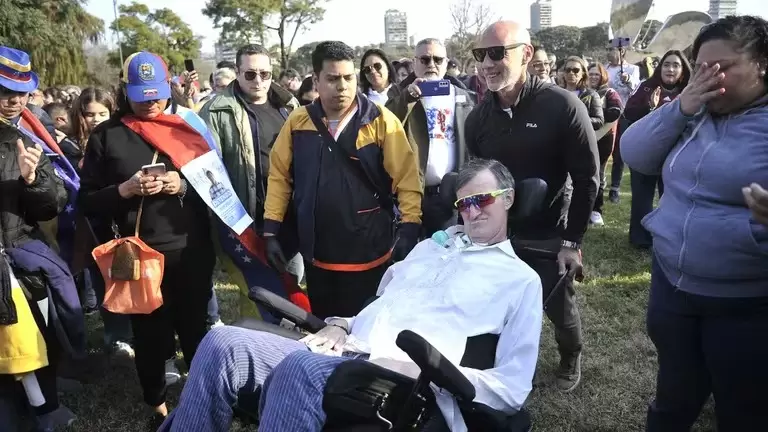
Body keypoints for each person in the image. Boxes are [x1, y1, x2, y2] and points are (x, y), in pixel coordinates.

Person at [159, 158, 542, 432]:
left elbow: (512, 387)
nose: (472, 212)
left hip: (404, 379)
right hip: (348, 348)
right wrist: (342, 324)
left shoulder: (520, 280)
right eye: (464, 204)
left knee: (299, 370)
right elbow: (383, 306)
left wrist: (434, 373)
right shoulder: (430, 249)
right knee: (222, 341)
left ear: (508, 199)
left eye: (483, 200)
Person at [620, 15, 768, 431]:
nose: (709, 78)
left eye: (722, 67)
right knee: (672, 401)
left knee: (743, 412)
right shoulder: (694, 113)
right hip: (674, 289)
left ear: (763, 64)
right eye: (701, 67)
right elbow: (634, 153)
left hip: (745, 305)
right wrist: (681, 107)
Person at [79, 51, 215, 427]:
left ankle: (205, 396)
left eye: (157, 93)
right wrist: (123, 190)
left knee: (196, 332)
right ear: (125, 91)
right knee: (151, 336)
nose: (151, 102)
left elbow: (218, 188)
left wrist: (182, 184)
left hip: (190, 252)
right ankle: (157, 406)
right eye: (141, 95)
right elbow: (85, 199)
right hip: (139, 257)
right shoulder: (106, 136)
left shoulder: (187, 127)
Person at [465, 21, 599, 393]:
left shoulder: (563, 105)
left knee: (559, 307)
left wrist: (572, 241)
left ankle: (570, 355)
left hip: (549, 231)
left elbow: (588, 178)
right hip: (499, 234)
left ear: (525, 54)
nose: (488, 63)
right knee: (496, 306)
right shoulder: (477, 119)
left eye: (497, 53)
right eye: (480, 55)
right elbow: (477, 178)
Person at [262, 41, 423, 319]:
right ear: (316, 79)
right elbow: (279, 178)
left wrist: (410, 226)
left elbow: (406, 178)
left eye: (349, 78)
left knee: (363, 334)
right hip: (317, 252)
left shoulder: (380, 120)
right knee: (324, 330)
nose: (343, 86)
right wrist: (270, 231)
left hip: (369, 251)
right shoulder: (298, 122)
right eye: (333, 78)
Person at [198, 44, 304, 320]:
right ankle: (257, 344)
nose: (259, 81)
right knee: (259, 293)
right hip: (247, 221)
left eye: (265, 74)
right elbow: (209, 169)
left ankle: (289, 345)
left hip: (290, 216)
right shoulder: (216, 111)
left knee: (292, 282)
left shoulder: (290, 106)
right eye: (250, 74)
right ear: (237, 73)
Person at [0, 45, 74, 431]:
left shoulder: (27, 139)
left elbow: (52, 204)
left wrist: (32, 180)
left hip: (21, 263)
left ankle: (44, 411)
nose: (14, 100)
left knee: (38, 343)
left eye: (21, 92)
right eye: (4, 91)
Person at [386, 38, 475, 238]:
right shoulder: (400, 94)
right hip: (410, 196)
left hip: (448, 196)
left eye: (438, 59)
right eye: (425, 60)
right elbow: (384, 124)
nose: (432, 65)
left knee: (445, 257)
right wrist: (407, 98)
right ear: (415, 62)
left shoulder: (464, 97)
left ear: (446, 63)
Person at [623, 50, 691, 249]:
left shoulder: (689, 90)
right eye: (666, 64)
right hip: (645, 152)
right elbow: (629, 113)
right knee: (642, 197)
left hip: (675, 155)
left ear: (683, 69)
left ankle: (668, 236)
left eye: (675, 65)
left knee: (671, 198)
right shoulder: (646, 88)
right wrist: (649, 107)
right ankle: (640, 238)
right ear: (660, 68)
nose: (670, 69)